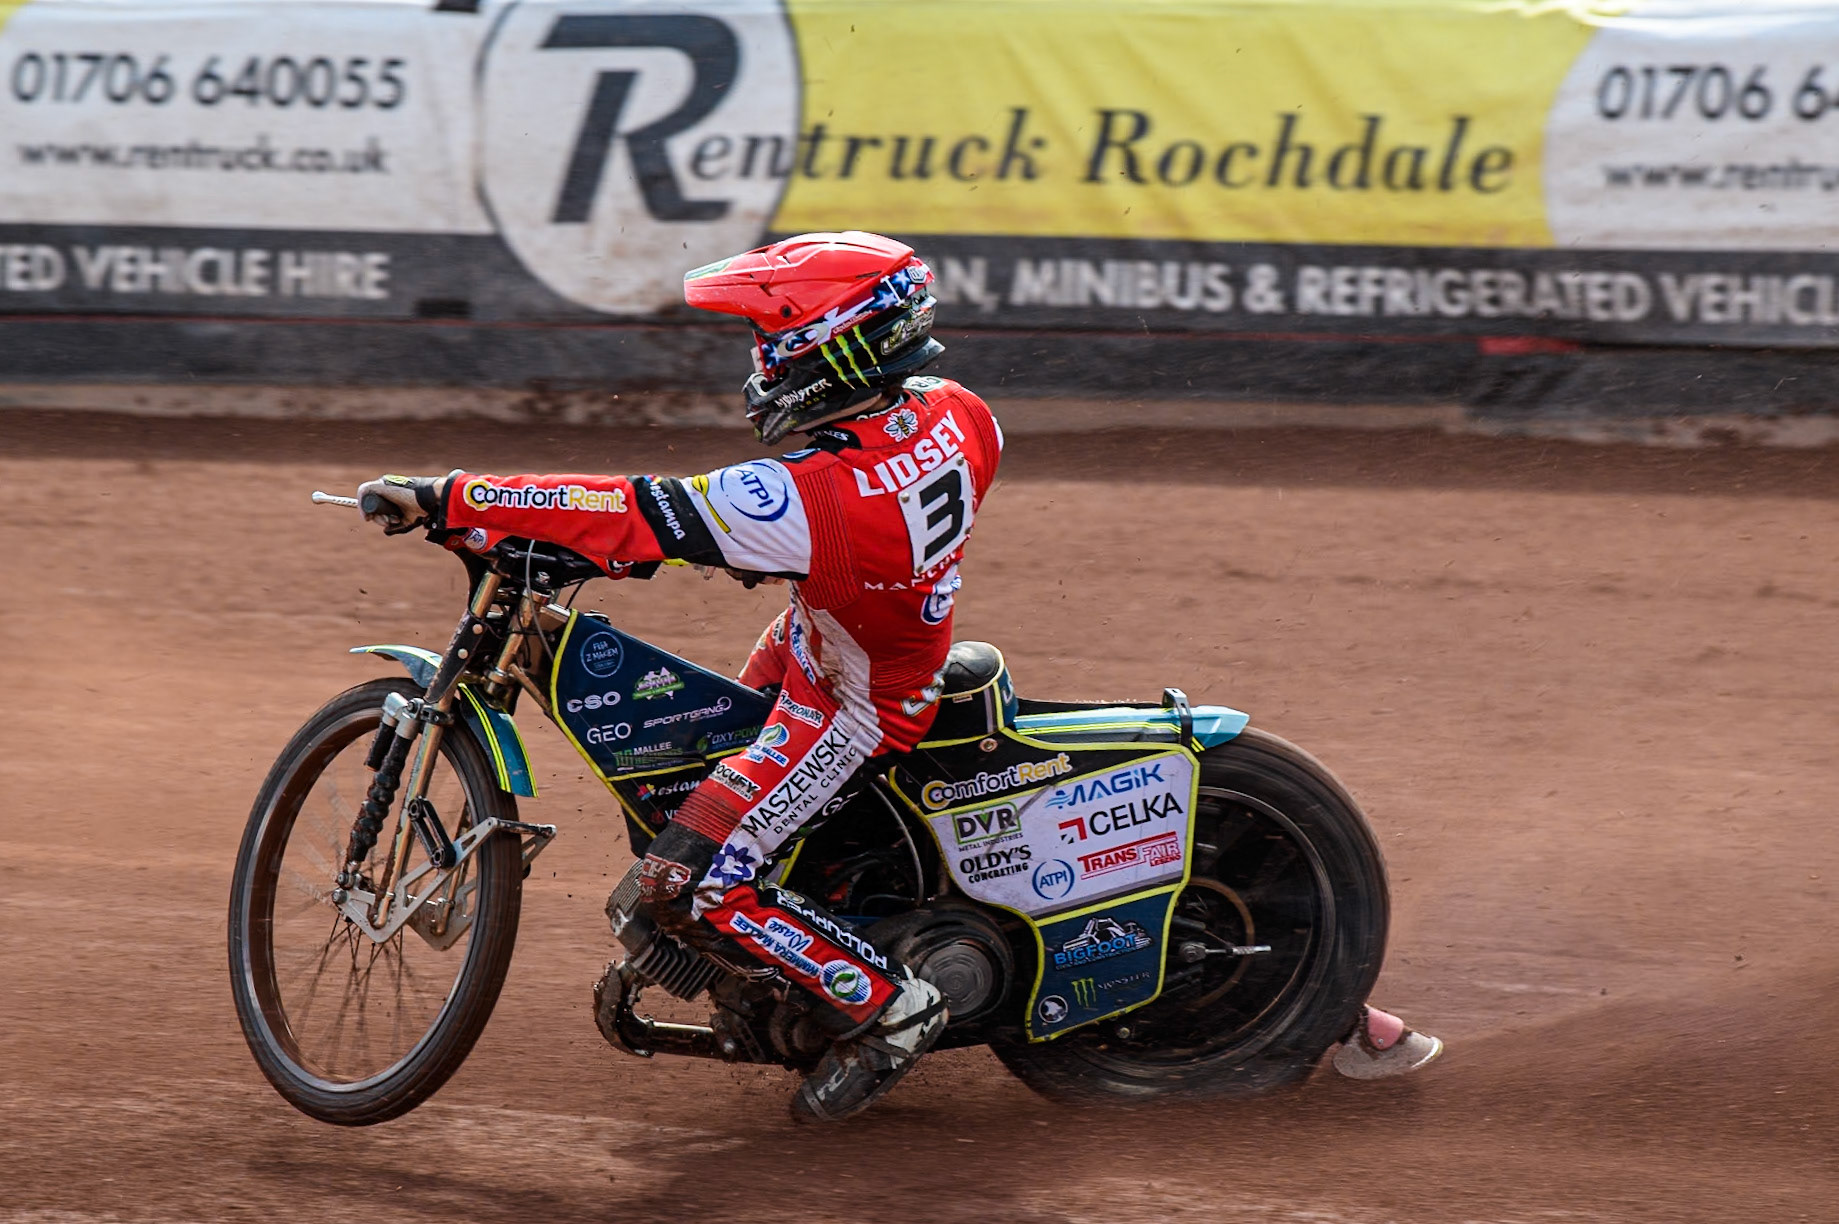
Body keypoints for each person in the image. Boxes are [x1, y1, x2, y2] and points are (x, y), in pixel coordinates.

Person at [357, 231, 999, 1121]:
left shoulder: (815, 495)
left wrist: (452, 497)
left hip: (852, 709)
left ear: (830, 339)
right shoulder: (956, 412)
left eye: (772, 339)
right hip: (841, 642)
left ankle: (891, 1006)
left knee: (688, 881)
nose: (761, 360)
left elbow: (628, 512)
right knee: (692, 777)